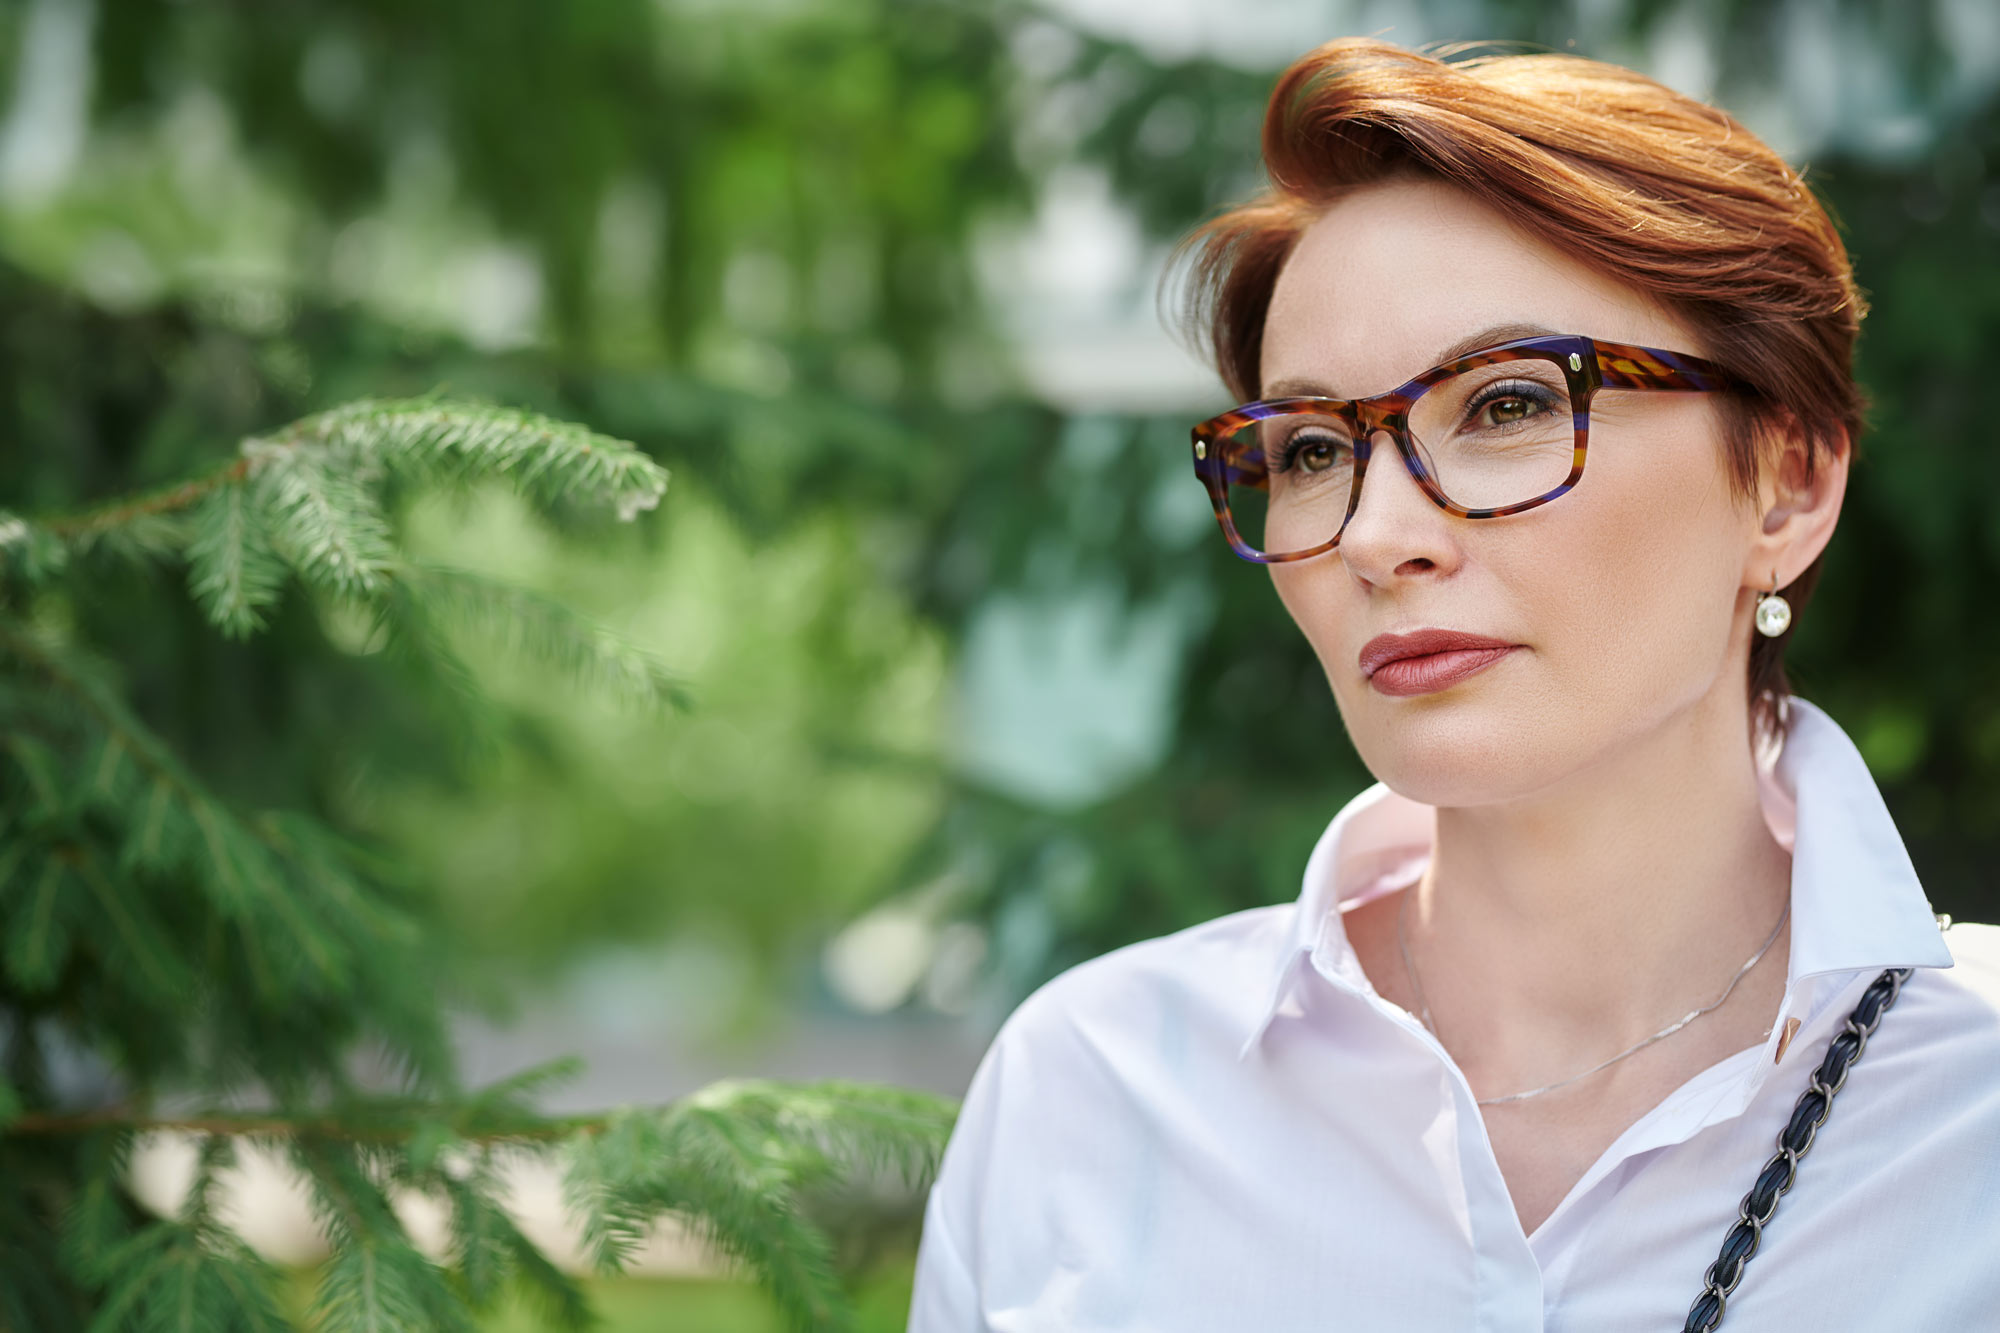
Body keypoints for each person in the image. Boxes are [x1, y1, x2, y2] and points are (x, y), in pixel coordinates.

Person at [905, 36, 2000, 1333]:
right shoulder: (1092, 1096)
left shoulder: (1966, 1119)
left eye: (1505, 405)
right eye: (1310, 447)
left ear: (1788, 479)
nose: (1374, 535)